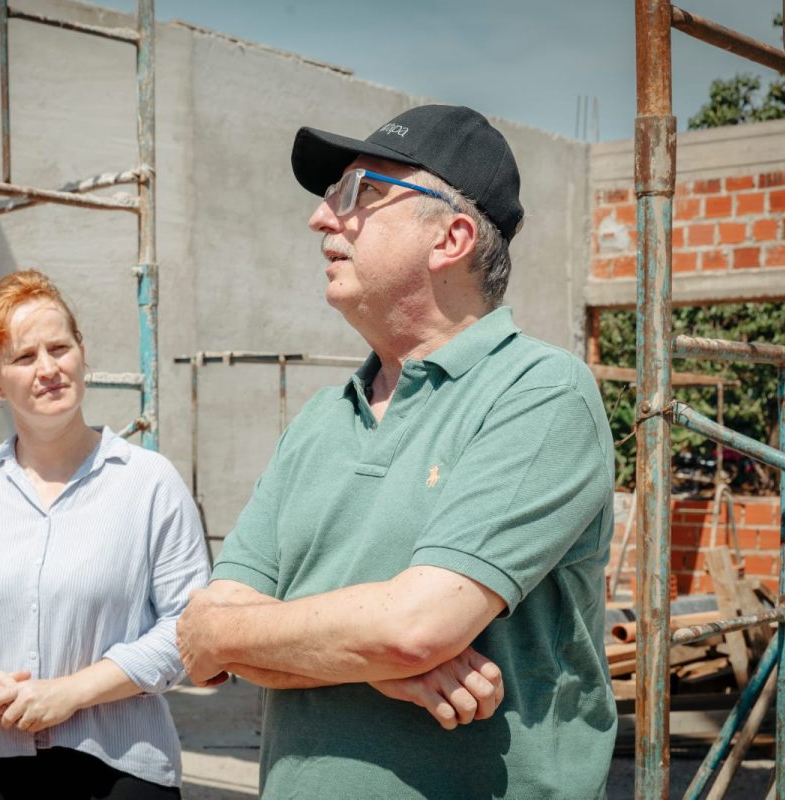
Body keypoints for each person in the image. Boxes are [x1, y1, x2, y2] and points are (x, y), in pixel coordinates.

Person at [177, 105, 617, 799]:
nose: (321, 218)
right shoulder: (321, 419)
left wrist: (375, 645)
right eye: (332, 194)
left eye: (362, 192)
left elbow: (415, 628)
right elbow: (202, 640)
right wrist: (371, 659)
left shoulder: (538, 392)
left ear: (452, 238)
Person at [0, 270, 210, 800]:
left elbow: (187, 626)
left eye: (59, 348)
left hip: (121, 767)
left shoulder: (148, 482)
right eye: (25, 357)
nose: (48, 369)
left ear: (82, 354)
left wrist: (71, 693)